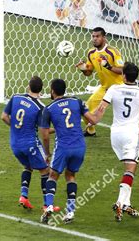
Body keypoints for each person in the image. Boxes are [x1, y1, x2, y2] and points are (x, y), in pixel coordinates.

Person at [93, 62, 139, 222]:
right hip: (131, 135)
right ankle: (120, 202)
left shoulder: (114, 89)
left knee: (128, 167)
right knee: (131, 169)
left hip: (115, 134)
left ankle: (127, 204)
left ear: (123, 75)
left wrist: (92, 120)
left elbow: (101, 108)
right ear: (136, 77)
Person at [76, 27, 139, 148]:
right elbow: (89, 72)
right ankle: (91, 131)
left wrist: (108, 66)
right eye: (93, 36)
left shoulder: (113, 52)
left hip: (119, 88)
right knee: (86, 108)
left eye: (97, 36)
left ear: (104, 38)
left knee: (127, 115)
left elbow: (122, 69)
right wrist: (83, 69)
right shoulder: (91, 53)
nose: (95, 39)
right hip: (105, 88)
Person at [39, 79, 99, 224]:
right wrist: (102, 106)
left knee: (52, 176)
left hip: (63, 147)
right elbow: (93, 120)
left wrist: (47, 153)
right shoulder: (77, 101)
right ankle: (70, 211)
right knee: (71, 175)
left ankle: (49, 207)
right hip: (79, 146)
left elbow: (45, 136)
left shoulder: (48, 109)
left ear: (52, 91)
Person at [1, 76, 59, 213]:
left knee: (27, 166)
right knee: (45, 170)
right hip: (30, 144)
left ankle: (24, 196)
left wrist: (15, 127)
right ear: (41, 90)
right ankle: (46, 205)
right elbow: (43, 131)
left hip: (14, 143)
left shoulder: (15, 98)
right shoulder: (41, 107)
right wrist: (58, 129)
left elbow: (3, 116)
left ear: (28, 86)